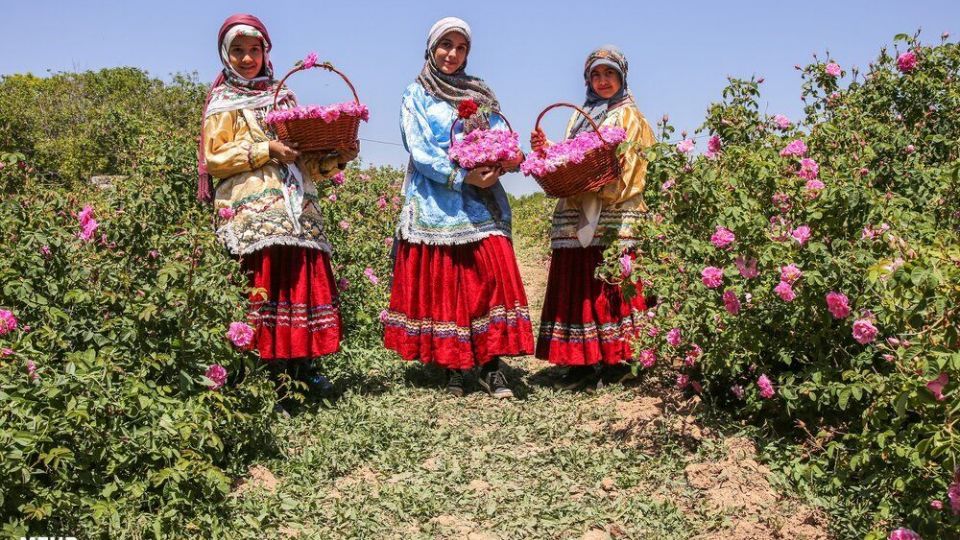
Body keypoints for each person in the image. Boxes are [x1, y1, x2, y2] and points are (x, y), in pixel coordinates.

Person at [198, 14, 358, 406]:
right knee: (266, 280)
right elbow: (214, 158)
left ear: (266, 52)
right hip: (251, 204)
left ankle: (301, 368)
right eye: (238, 50)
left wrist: (338, 158)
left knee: (300, 278)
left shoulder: (283, 98)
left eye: (254, 50)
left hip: (296, 203)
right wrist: (265, 149)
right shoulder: (223, 104)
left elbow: (303, 163)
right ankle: (265, 372)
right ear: (225, 54)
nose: (247, 58)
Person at [383, 16, 534, 398]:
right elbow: (418, 149)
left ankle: (491, 364)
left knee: (491, 271)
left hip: (482, 197)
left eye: (460, 47)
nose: (452, 54)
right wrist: (460, 175)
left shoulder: (479, 93)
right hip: (438, 199)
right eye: (445, 45)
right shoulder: (415, 94)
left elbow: (499, 132)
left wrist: (501, 161)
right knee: (448, 281)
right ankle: (452, 365)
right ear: (431, 48)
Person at [531, 45, 656, 391]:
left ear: (622, 78)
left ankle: (618, 359)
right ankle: (581, 360)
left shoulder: (630, 116)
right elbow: (577, 155)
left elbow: (632, 166)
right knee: (580, 282)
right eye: (596, 75)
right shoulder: (582, 115)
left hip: (615, 211)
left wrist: (602, 188)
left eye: (609, 74)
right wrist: (549, 150)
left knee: (610, 281)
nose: (602, 81)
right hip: (577, 208)